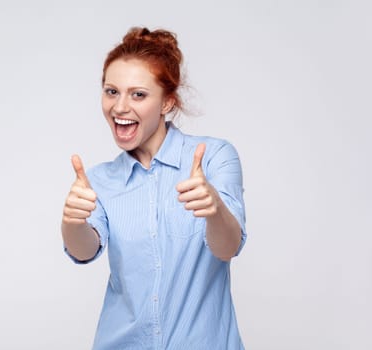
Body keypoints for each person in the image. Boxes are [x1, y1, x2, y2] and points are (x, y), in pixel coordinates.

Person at [61, 27, 247, 350]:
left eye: (138, 94)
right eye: (111, 91)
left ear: (167, 102)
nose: (119, 107)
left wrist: (214, 208)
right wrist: (71, 222)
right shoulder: (100, 180)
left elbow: (228, 246)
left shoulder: (215, 158)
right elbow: (85, 250)